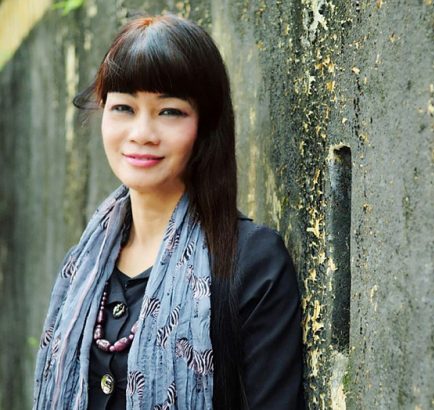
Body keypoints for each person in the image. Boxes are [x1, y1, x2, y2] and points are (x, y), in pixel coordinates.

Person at [32, 14, 304, 409]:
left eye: (169, 111)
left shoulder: (252, 263)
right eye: (123, 107)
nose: (142, 133)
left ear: (205, 125)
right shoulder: (84, 265)